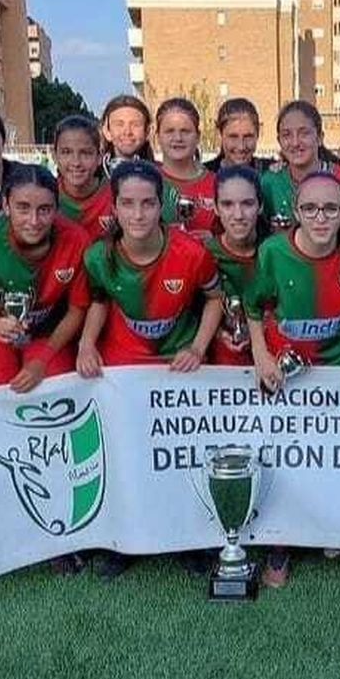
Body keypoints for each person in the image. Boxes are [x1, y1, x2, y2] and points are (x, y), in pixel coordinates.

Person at [76, 161, 223, 579]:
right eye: (128, 204)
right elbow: (100, 300)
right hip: (126, 364)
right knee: (127, 452)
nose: (138, 214)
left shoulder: (190, 252)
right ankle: (124, 541)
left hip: (179, 361)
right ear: (115, 208)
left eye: (147, 204)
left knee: (184, 451)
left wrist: (197, 347)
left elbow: (214, 298)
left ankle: (189, 539)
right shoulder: (99, 255)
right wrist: (87, 343)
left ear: (161, 206)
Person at [247, 169, 340, 588]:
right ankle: (282, 542)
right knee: (289, 454)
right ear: (296, 212)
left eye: (330, 208)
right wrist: (261, 356)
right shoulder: (273, 251)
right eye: (310, 208)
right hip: (287, 371)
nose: (320, 217)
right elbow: (255, 308)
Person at [0, 165, 90, 391]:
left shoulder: (76, 241)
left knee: (53, 389)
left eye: (44, 210)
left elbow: (77, 309)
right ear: (5, 205)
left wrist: (44, 358)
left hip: (49, 332)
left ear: (56, 208)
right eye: (23, 208)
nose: (33, 220)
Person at [201, 164, 263, 366]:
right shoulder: (203, 254)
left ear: (260, 206)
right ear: (216, 208)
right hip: (216, 371)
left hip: (271, 362)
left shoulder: (276, 252)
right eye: (227, 204)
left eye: (247, 203)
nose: (238, 215)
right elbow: (186, 316)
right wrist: (219, 333)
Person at [260, 100, 340, 227]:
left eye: (304, 133)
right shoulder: (269, 182)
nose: (295, 142)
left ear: (319, 138)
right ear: (279, 140)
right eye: (287, 135)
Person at [153, 97, 217, 231]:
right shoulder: (147, 182)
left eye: (185, 131)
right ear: (157, 136)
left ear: (198, 136)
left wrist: (214, 241)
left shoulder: (216, 183)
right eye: (169, 131)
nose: (178, 138)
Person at [51, 114, 113, 236]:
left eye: (85, 153)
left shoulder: (116, 196)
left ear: (99, 157)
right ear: (55, 156)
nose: (76, 162)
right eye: (66, 152)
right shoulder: (44, 195)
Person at [206, 97, 262, 171]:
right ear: (219, 135)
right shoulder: (202, 176)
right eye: (233, 137)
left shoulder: (272, 174)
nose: (241, 146)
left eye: (248, 137)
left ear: (257, 134)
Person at [100, 95, 153, 162]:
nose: (127, 132)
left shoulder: (158, 171)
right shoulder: (91, 171)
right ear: (107, 132)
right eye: (119, 125)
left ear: (147, 132)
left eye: (135, 125)